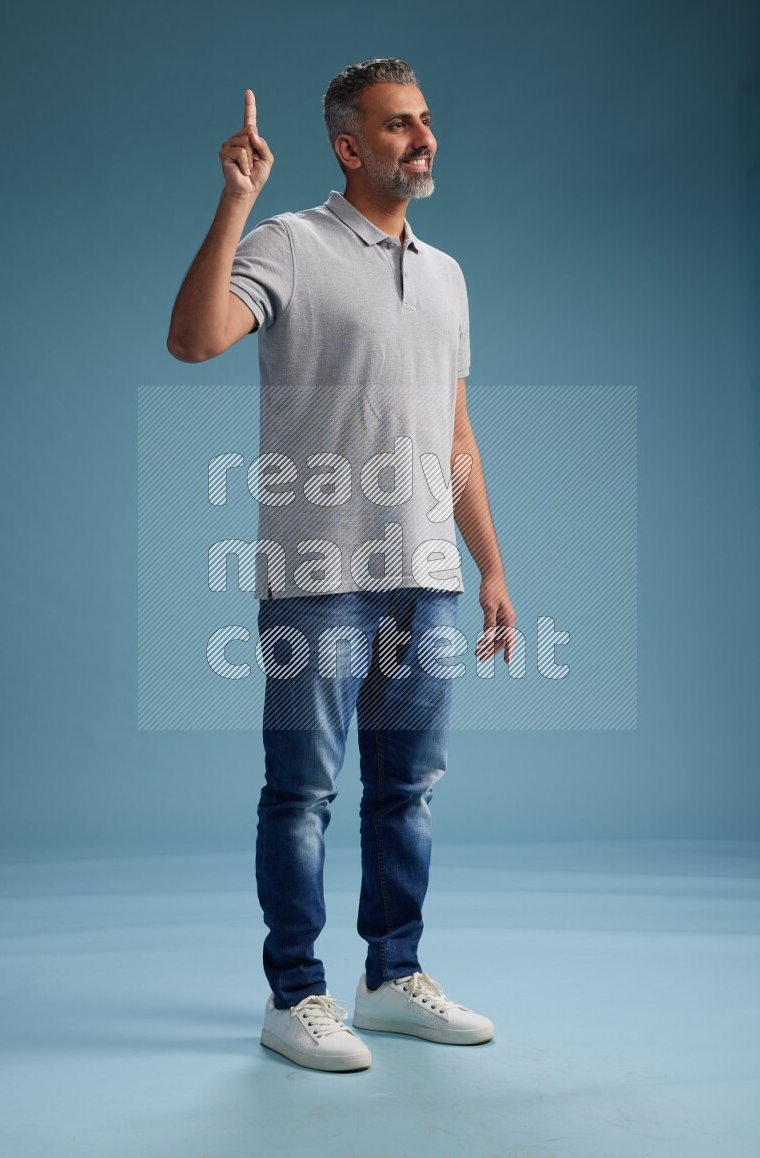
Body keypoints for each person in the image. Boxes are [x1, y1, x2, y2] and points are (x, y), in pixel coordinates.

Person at [167, 58, 515, 1073]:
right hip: (317, 576)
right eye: (398, 124)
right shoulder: (289, 242)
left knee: (407, 792)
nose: (423, 137)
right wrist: (236, 201)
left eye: (425, 119)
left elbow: (456, 436)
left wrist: (489, 567)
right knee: (302, 794)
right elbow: (193, 338)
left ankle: (390, 977)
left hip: (427, 576)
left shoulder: (446, 273)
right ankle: (295, 995)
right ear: (347, 146)